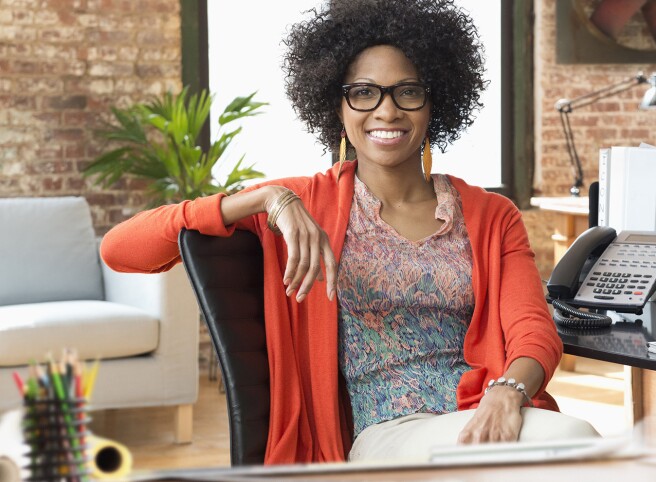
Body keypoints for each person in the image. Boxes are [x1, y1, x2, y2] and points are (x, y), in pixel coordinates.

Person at [100, 0, 598, 464]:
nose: (387, 110)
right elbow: (120, 250)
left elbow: (534, 332)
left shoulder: (492, 214)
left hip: (489, 411)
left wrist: (508, 393)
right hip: (387, 431)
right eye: (363, 92)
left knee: (577, 446)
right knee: (572, 450)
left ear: (434, 103)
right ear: (336, 107)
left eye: (408, 90)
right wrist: (267, 198)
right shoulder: (305, 204)